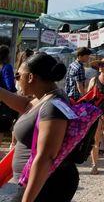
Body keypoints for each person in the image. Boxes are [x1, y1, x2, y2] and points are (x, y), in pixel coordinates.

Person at [0, 52, 78, 201]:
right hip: (35, 183)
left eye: (18, 76)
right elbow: (25, 105)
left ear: (30, 77)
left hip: (46, 186)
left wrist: (27, 199)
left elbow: (45, 157)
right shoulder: (45, 98)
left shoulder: (53, 106)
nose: (17, 81)